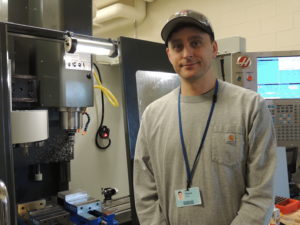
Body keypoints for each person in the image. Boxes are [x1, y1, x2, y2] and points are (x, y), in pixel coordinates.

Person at [133, 9, 277, 225]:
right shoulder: (153, 115)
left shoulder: (250, 107)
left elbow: (261, 194)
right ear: (169, 54)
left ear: (214, 48)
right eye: (177, 46)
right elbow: (145, 192)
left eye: (196, 43)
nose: (186, 53)